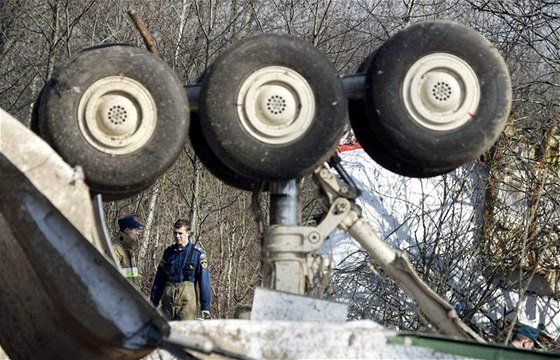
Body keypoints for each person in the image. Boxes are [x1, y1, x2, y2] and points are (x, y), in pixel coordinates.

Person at [150, 218, 211, 320]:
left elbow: (204, 282)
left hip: (187, 301)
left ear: (188, 233)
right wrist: (153, 302)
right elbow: (159, 279)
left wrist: (205, 308)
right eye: (175, 233)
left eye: (180, 233)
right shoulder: (168, 253)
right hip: (168, 300)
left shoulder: (198, 254)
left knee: (184, 331)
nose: (177, 236)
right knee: (165, 330)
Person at [112, 214, 143, 285]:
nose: (138, 233)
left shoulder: (128, 249)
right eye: (136, 230)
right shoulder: (115, 248)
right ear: (127, 230)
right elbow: (109, 275)